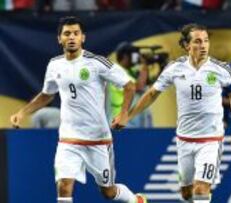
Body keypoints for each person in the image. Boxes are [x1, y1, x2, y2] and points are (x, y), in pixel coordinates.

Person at [10, 16, 146, 203]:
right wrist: (22, 113)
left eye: (76, 33)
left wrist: (123, 114)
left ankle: (134, 200)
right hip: (69, 139)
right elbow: (47, 94)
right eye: (67, 34)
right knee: (64, 186)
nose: (71, 37)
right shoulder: (55, 65)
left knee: (108, 192)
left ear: (83, 37)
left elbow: (129, 85)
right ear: (59, 39)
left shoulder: (97, 63)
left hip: (98, 138)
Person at [129, 23, 231, 203]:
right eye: (198, 41)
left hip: (211, 139)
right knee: (187, 193)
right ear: (186, 45)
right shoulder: (175, 69)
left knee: (201, 187)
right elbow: (152, 93)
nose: (203, 45)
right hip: (184, 139)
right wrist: (128, 116)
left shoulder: (220, 69)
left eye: (206, 41)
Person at [108, 42, 152, 128]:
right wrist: (144, 64)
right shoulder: (116, 71)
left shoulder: (131, 71)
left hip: (135, 120)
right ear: (125, 57)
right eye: (133, 55)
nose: (136, 58)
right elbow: (139, 86)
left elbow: (148, 85)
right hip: (122, 121)